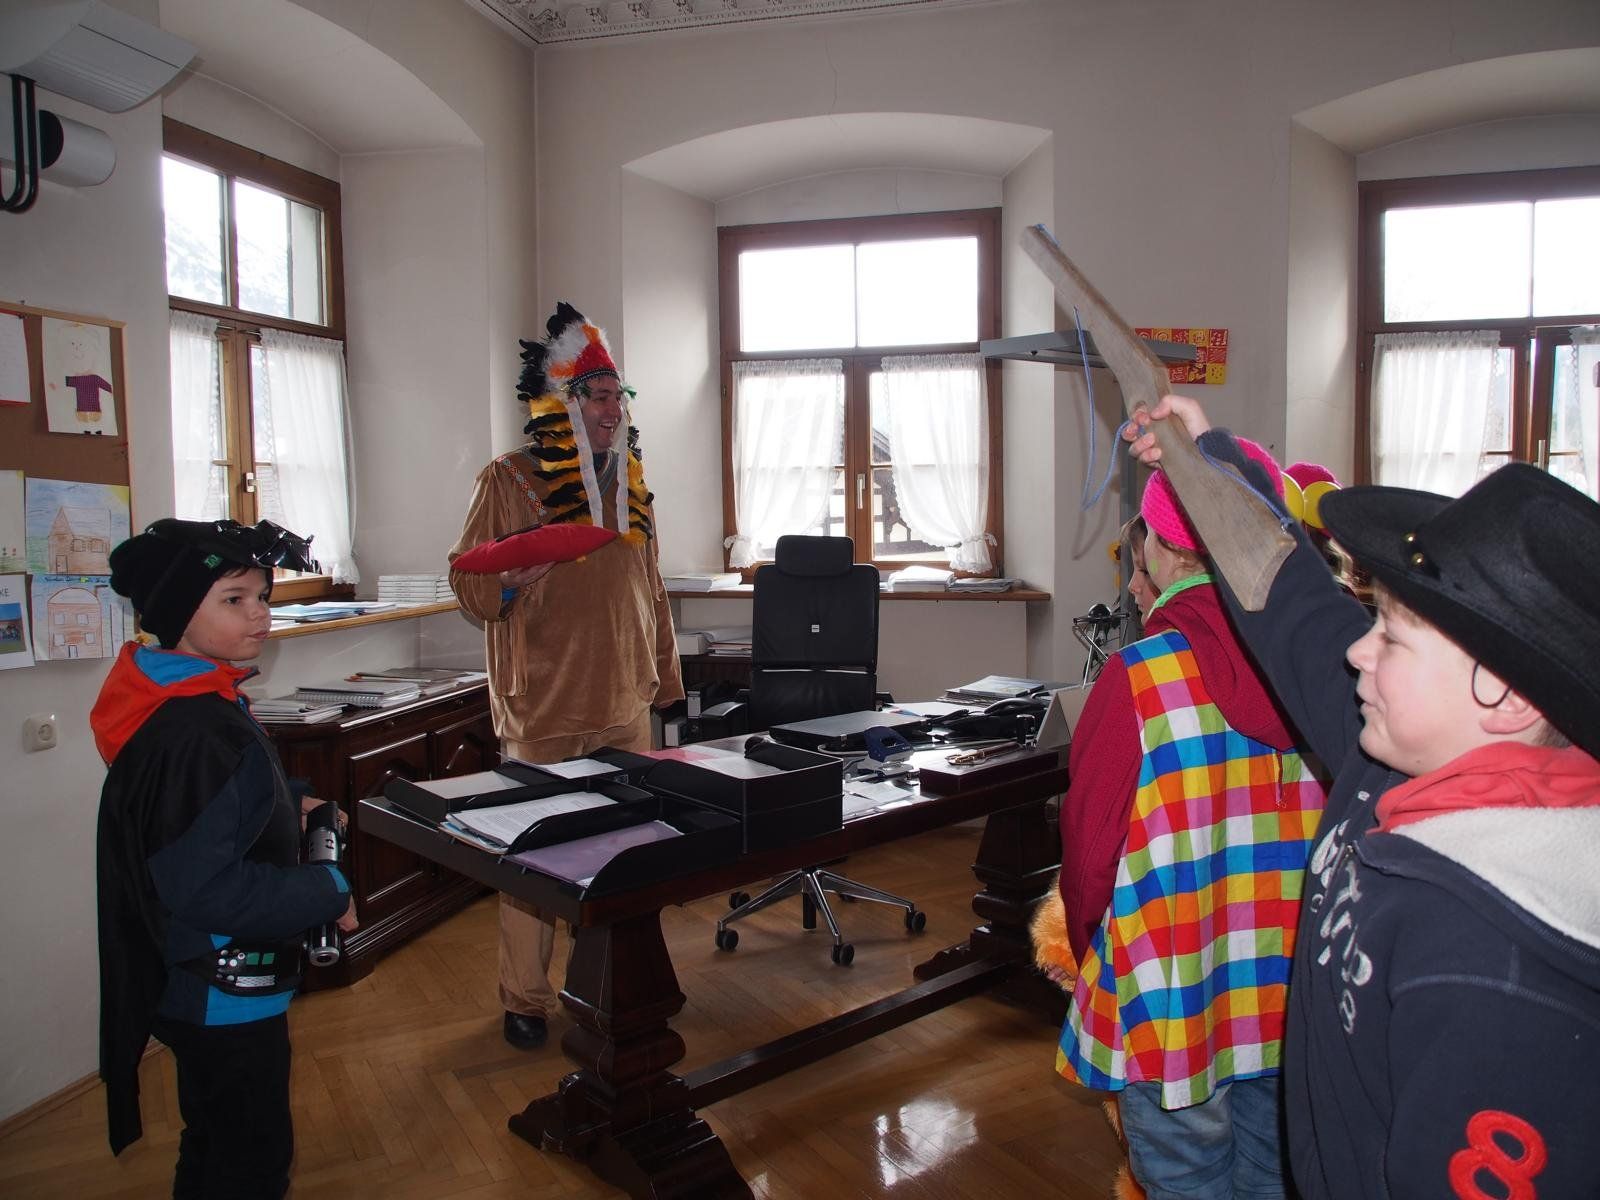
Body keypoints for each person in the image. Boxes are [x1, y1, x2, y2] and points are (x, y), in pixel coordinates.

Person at [1127, 395, 1600, 1200]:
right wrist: (1211, 463)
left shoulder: (1505, 977)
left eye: (1391, 637)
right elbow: (1295, 604)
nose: (1358, 651)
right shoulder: (1402, 759)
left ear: (1506, 697)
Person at [1050, 442, 1328, 1200]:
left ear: (1165, 549)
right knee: (1276, 1173)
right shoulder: (1327, 666)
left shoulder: (1139, 679)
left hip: (1173, 991)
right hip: (1294, 985)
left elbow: (1092, 857)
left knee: (1183, 1178)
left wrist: (1095, 954)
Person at [92, 518, 356, 1198]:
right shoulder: (198, 731)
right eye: (234, 600)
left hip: (186, 975)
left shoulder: (185, 695)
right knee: (251, 1160)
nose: (260, 614)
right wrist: (325, 888)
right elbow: (208, 889)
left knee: (210, 1136)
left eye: (262, 596)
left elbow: (201, 811)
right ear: (179, 613)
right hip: (220, 987)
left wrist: (287, 802)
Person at [449, 302, 684, 1050]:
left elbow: (651, 589)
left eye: (620, 397)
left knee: (626, 849)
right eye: (600, 396)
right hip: (543, 702)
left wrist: (665, 681)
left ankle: (613, 982)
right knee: (534, 856)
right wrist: (516, 576)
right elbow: (470, 584)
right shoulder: (509, 479)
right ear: (564, 402)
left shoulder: (632, 483)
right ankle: (524, 996)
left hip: (625, 697)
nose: (614, 410)